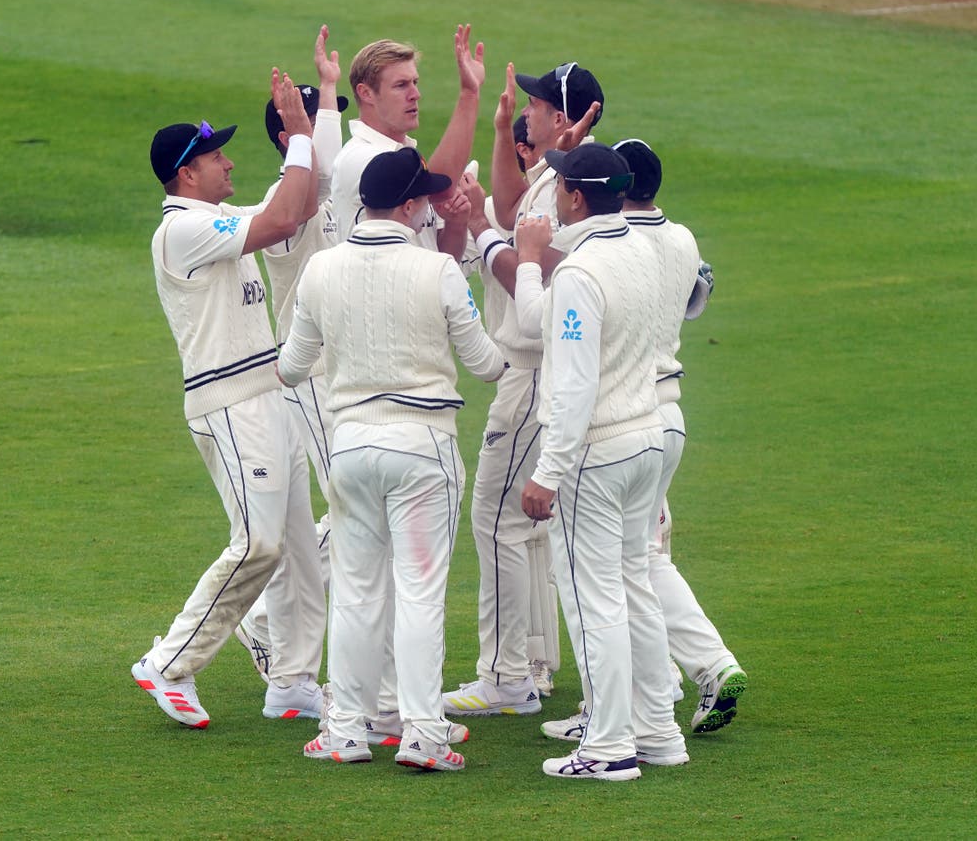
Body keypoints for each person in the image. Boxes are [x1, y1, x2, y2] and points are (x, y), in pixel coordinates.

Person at [278, 147, 505, 770]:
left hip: (350, 447)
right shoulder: (437, 272)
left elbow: (291, 367)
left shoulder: (322, 270)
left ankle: (346, 732)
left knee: (354, 594)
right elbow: (487, 365)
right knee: (419, 593)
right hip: (423, 447)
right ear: (406, 205)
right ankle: (423, 734)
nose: (432, 204)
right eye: (425, 197)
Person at [130, 70, 324, 729]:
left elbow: (293, 210)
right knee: (259, 544)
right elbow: (278, 218)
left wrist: (306, 132)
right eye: (216, 157)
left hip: (267, 398)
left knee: (299, 550)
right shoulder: (180, 231)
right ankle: (169, 661)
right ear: (187, 173)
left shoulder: (214, 217)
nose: (229, 162)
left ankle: (293, 679)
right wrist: (297, 131)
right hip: (230, 405)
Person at [518, 143, 687, 780]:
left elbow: (574, 386)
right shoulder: (643, 250)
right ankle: (659, 732)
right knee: (635, 586)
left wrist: (548, 471)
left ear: (576, 197)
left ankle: (609, 746)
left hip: (600, 449)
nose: (555, 193)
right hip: (648, 437)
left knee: (595, 601)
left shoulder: (581, 273)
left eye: (560, 184)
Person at [442, 61, 603, 717]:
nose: (527, 111)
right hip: (538, 372)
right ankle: (529, 665)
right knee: (526, 526)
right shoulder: (559, 172)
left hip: (533, 371)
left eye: (535, 103)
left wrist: (481, 235)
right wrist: (502, 125)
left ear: (562, 117)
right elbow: (511, 204)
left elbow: (526, 265)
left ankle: (508, 676)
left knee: (499, 521)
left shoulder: (574, 183)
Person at [613, 138, 745, 733]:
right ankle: (709, 665)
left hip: (626, 420)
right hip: (670, 416)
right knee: (640, 556)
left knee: (621, 564)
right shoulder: (683, 237)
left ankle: (682, 676)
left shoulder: (616, 244)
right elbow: (696, 302)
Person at [234, 26, 347, 700]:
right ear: (285, 137)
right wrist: (323, 104)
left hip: (343, 371)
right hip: (310, 376)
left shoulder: (327, 189)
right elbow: (322, 172)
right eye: (302, 122)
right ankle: (257, 619)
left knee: (332, 517)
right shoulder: (284, 207)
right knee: (356, 511)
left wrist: (329, 92)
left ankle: (270, 630)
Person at [330, 26, 485, 260]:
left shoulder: (405, 153)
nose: (415, 94)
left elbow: (442, 257)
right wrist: (469, 94)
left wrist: (455, 223)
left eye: (415, 82)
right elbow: (443, 189)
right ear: (366, 93)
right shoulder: (359, 159)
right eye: (401, 85)